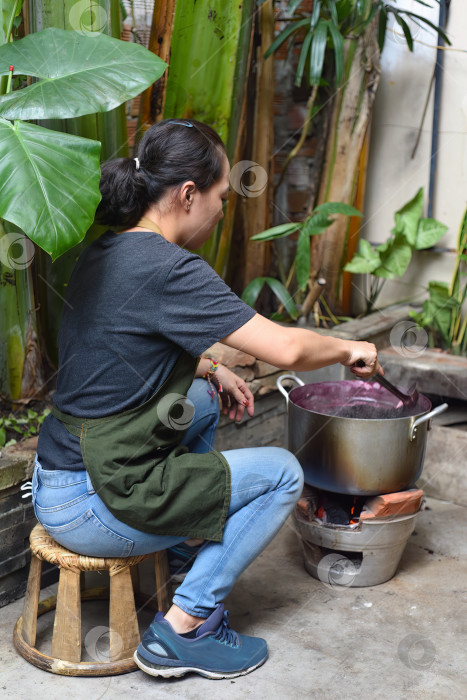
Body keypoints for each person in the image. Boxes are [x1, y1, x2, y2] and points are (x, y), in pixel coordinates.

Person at [33, 118, 381, 680]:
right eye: (222, 196)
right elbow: (288, 350)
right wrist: (348, 348)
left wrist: (210, 365)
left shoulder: (104, 250)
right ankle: (183, 628)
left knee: (199, 397)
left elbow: (114, 349)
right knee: (282, 474)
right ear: (189, 194)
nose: (223, 210)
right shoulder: (170, 268)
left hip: (60, 476)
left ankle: (181, 558)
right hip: (95, 506)